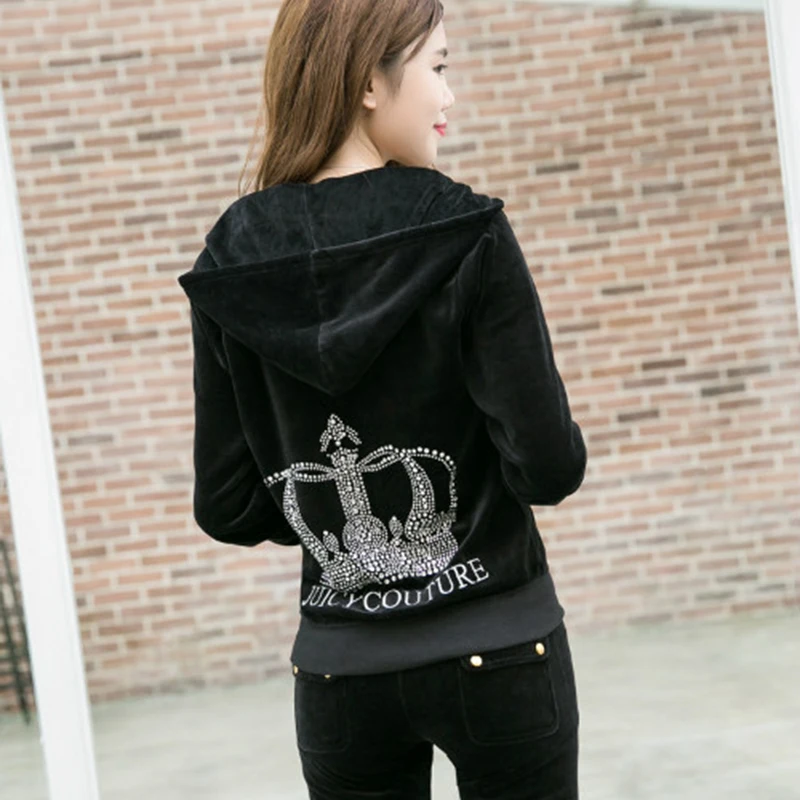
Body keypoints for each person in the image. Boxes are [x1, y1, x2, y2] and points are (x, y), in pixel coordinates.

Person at [176, 0, 588, 797]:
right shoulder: (466, 229)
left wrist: (314, 497)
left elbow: (227, 506)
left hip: (342, 673)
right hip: (500, 647)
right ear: (370, 81)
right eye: (439, 67)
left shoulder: (232, 259)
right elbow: (547, 467)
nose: (449, 95)